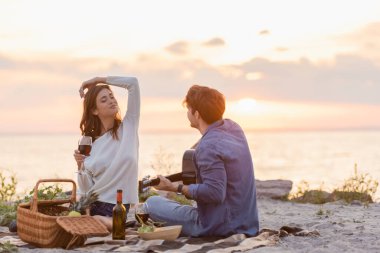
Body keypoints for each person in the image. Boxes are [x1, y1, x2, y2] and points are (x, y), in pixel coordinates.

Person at [143, 85, 259, 237]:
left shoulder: (208, 147)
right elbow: (209, 142)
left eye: (188, 108)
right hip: (247, 223)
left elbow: (215, 193)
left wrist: (174, 187)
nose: (187, 112)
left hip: (219, 227)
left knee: (151, 204)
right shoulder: (233, 128)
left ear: (196, 114)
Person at [73, 76, 140, 228]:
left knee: (87, 223)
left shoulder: (129, 126)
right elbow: (85, 188)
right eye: (104, 100)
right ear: (94, 110)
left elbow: (133, 83)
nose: (111, 100)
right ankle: (99, 222)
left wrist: (98, 80)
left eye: (111, 96)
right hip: (92, 204)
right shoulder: (91, 143)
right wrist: (80, 166)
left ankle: (109, 223)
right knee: (73, 220)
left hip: (118, 205)